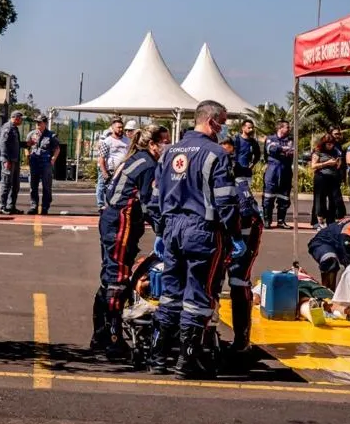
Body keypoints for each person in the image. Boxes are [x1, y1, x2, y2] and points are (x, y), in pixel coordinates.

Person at [147, 99, 240, 378]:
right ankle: (187, 362)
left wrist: (162, 230)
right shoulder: (216, 154)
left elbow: (154, 198)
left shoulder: (168, 153)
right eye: (222, 123)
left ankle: (158, 357)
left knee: (170, 293)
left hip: (172, 228)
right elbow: (226, 201)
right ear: (211, 121)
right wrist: (234, 233)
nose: (222, 129)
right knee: (198, 295)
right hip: (202, 230)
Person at [91, 125, 169, 361]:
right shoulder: (148, 166)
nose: (168, 145)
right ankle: (114, 340)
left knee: (109, 278)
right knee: (118, 280)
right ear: (153, 144)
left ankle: (100, 335)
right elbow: (151, 204)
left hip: (112, 220)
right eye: (164, 141)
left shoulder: (135, 158)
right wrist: (165, 232)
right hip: (121, 222)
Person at [220, 137, 263, 356]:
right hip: (225, 233)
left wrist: (237, 239)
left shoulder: (237, 184)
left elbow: (246, 214)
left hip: (245, 233)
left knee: (238, 280)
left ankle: (242, 338)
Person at [307, 214, 350, 292]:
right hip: (323, 242)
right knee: (331, 261)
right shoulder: (348, 234)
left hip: (340, 242)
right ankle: (327, 294)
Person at [262, 120, 295, 229]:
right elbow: (270, 149)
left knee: (284, 197)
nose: (289, 129)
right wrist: (282, 149)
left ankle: (281, 221)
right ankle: (267, 220)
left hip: (286, 171)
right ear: (280, 128)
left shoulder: (290, 140)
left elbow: (292, 151)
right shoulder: (271, 138)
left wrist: (281, 150)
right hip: (273, 170)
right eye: (287, 127)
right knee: (268, 197)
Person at [25, 115, 61, 215]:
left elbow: (57, 149)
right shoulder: (31, 134)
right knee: (33, 185)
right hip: (34, 162)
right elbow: (26, 146)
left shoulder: (51, 135)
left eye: (39, 122)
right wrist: (27, 155)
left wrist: (53, 159)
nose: (37, 124)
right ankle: (33, 206)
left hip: (46, 163)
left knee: (46, 186)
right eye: (36, 122)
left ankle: (45, 206)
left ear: (45, 123)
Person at [95, 117, 129, 212]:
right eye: (118, 127)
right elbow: (102, 158)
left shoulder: (127, 141)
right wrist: (104, 172)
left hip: (123, 171)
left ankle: (118, 207)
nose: (120, 129)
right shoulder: (107, 142)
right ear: (113, 128)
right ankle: (103, 206)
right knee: (107, 189)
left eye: (122, 127)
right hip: (111, 170)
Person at [309, 133, 343, 228]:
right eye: (328, 144)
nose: (330, 146)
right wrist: (327, 163)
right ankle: (319, 220)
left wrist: (337, 163)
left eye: (332, 144)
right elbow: (313, 166)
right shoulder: (318, 152)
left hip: (333, 177)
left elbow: (339, 162)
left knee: (334, 199)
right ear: (324, 144)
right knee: (320, 199)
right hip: (321, 177)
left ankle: (331, 220)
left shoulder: (335, 151)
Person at [0, 110, 24, 215]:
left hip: (14, 160)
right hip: (8, 160)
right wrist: (5, 160)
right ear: (16, 118)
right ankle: (1, 206)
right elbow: (3, 144)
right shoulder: (7, 127)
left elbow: (16, 144)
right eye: (20, 118)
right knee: (6, 183)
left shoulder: (14, 128)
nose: (21, 121)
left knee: (15, 185)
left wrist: (27, 144)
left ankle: (11, 206)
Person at [231, 119, 260, 191]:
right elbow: (228, 153)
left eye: (252, 128)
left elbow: (258, 155)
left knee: (246, 194)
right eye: (249, 127)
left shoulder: (253, 142)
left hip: (247, 173)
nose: (251, 129)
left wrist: (253, 164)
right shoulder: (235, 140)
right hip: (236, 172)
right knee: (237, 194)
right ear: (243, 128)